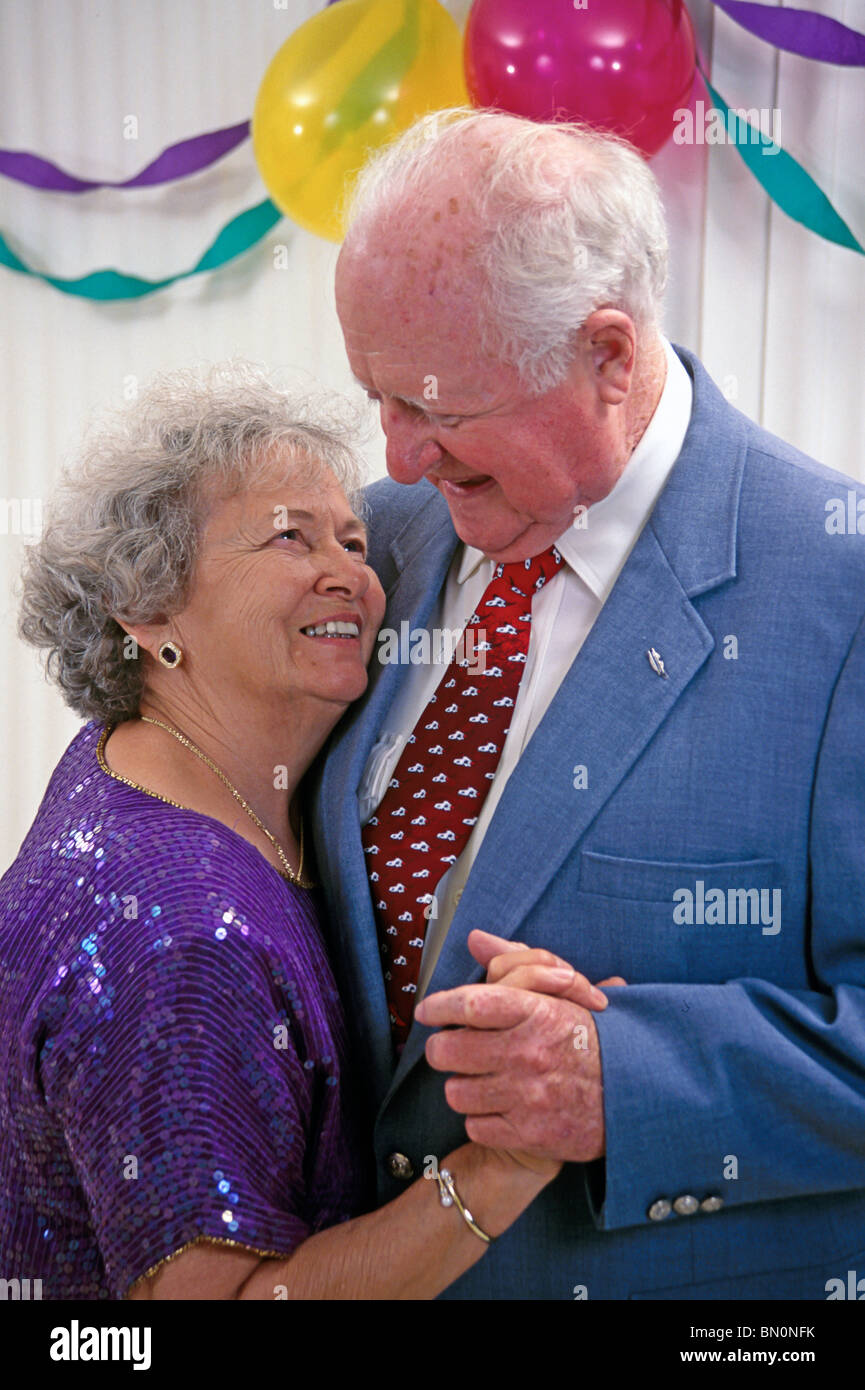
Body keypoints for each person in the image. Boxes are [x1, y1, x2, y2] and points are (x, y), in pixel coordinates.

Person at [312, 107, 865, 1300]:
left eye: (437, 411)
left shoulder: (842, 589)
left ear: (607, 355)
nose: (399, 456)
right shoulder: (376, 540)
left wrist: (635, 1077)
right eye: (378, 401)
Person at [0, 361, 611, 1301]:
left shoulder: (137, 759)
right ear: (150, 609)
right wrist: (501, 1166)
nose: (351, 578)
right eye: (291, 539)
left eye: (355, 542)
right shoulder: (177, 933)